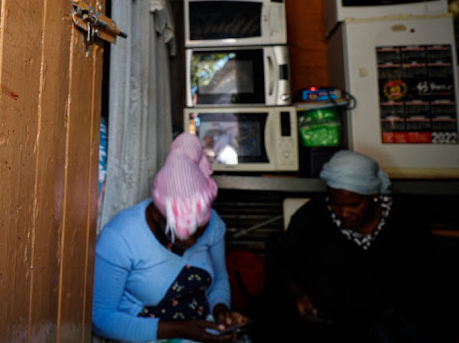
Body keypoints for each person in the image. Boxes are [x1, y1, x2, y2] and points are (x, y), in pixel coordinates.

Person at [261, 150, 434, 343]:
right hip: (327, 328)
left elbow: (423, 281)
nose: (344, 213)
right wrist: (298, 294)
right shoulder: (311, 217)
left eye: (354, 204)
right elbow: (282, 264)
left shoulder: (405, 222)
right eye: (336, 204)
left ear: (373, 196)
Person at [92, 133, 248, 342]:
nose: (191, 241)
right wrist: (181, 330)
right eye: (180, 233)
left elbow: (219, 279)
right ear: (157, 214)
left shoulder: (213, 225)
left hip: (200, 328)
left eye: (198, 230)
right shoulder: (120, 239)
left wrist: (221, 311)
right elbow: (101, 319)